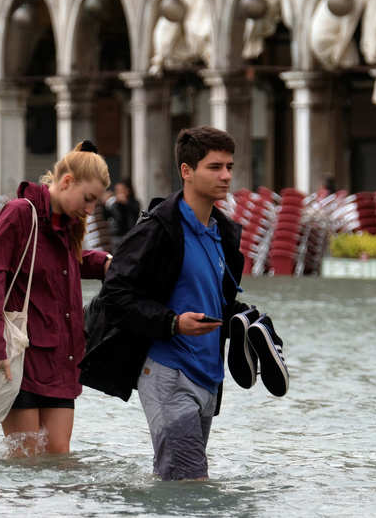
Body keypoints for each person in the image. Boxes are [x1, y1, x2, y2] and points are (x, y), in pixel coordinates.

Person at [79, 126, 262, 480]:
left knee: (178, 483)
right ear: (186, 171)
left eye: (229, 166)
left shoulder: (223, 232)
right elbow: (116, 295)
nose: (225, 175)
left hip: (209, 376)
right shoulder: (158, 229)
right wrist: (172, 323)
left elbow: (217, 299)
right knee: (191, 483)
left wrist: (249, 323)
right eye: (214, 167)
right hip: (167, 372)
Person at [0, 141, 112, 456]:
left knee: (60, 456)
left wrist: (102, 263)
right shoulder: (21, 213)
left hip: (62, 357)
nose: (90, 210)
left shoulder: (68, 224)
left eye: (95, 203)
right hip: (20, 358)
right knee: (25, 459)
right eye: (88, 199)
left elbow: (62, 263)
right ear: (66, 182)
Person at [103, 179, 141, 246]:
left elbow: (135, 212)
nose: (118, 192)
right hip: (115, 237)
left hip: (130, 236)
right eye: (117, 190)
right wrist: (104, 203)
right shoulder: (114, 204)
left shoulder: (133, 203)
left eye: (121, 190)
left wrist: (125, 202)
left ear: (127, 190)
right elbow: (105, 216)